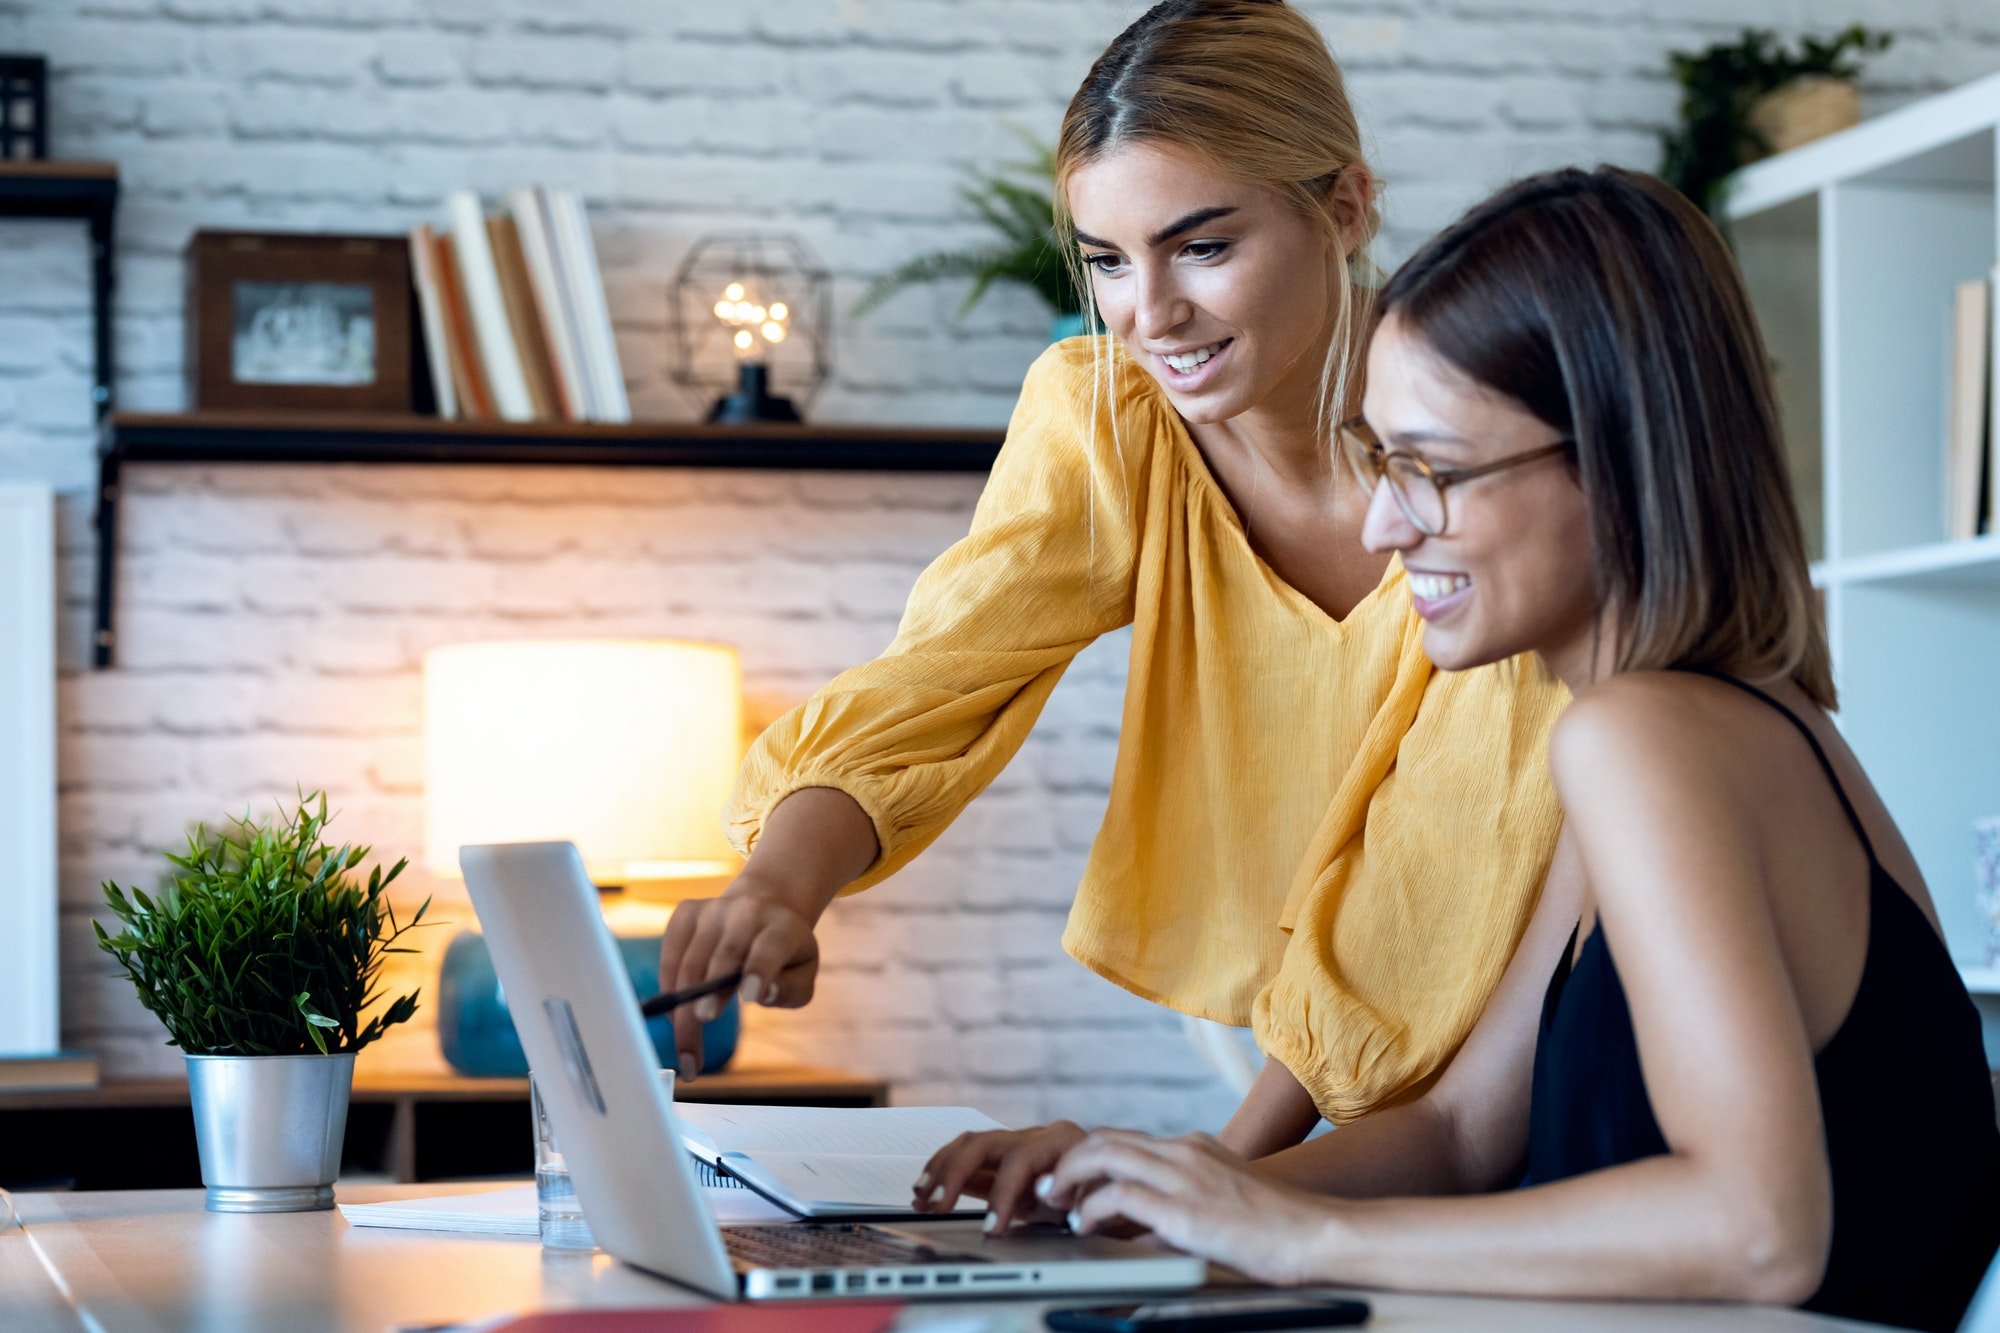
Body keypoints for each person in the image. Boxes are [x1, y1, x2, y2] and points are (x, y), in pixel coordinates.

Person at [1021, 165, 2000, 1333]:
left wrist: (1296, 1235)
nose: (1386, 529)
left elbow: (1755, 1228)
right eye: (1380, 462)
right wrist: (1167, 1201)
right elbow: (1461, 1130)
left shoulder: (1643, 738)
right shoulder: (1702, 724)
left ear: (1615, 458)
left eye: (1430, 469)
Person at [662, 0, 1567, 1163]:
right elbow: (946, 671)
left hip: (1565, 1050)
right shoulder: (1111, 420)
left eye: (1202, 246)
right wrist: (780, 886)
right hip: (1377, 1134)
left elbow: (1451, 842)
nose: (1150, 314)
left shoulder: (1494, 446)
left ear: (1343, 207)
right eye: (1105, 261)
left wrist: (1219, 1174)